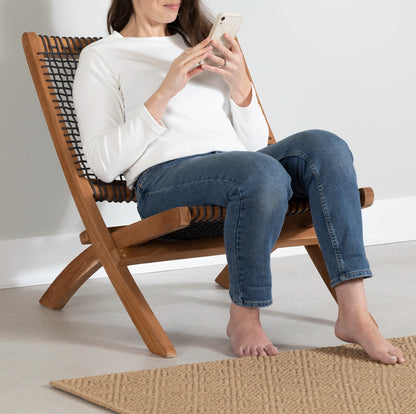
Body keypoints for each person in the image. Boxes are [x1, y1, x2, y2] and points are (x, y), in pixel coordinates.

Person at [73, 0, 405, 365]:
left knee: (327, 147)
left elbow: (252, 144)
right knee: (260, 173)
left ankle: (354, 313)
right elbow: (104, 164)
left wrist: (240, 84)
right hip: (165, 179)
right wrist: (166, 89)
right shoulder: (102, 56)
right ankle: (244, 315)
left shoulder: (204, 43)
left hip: (241, 168)